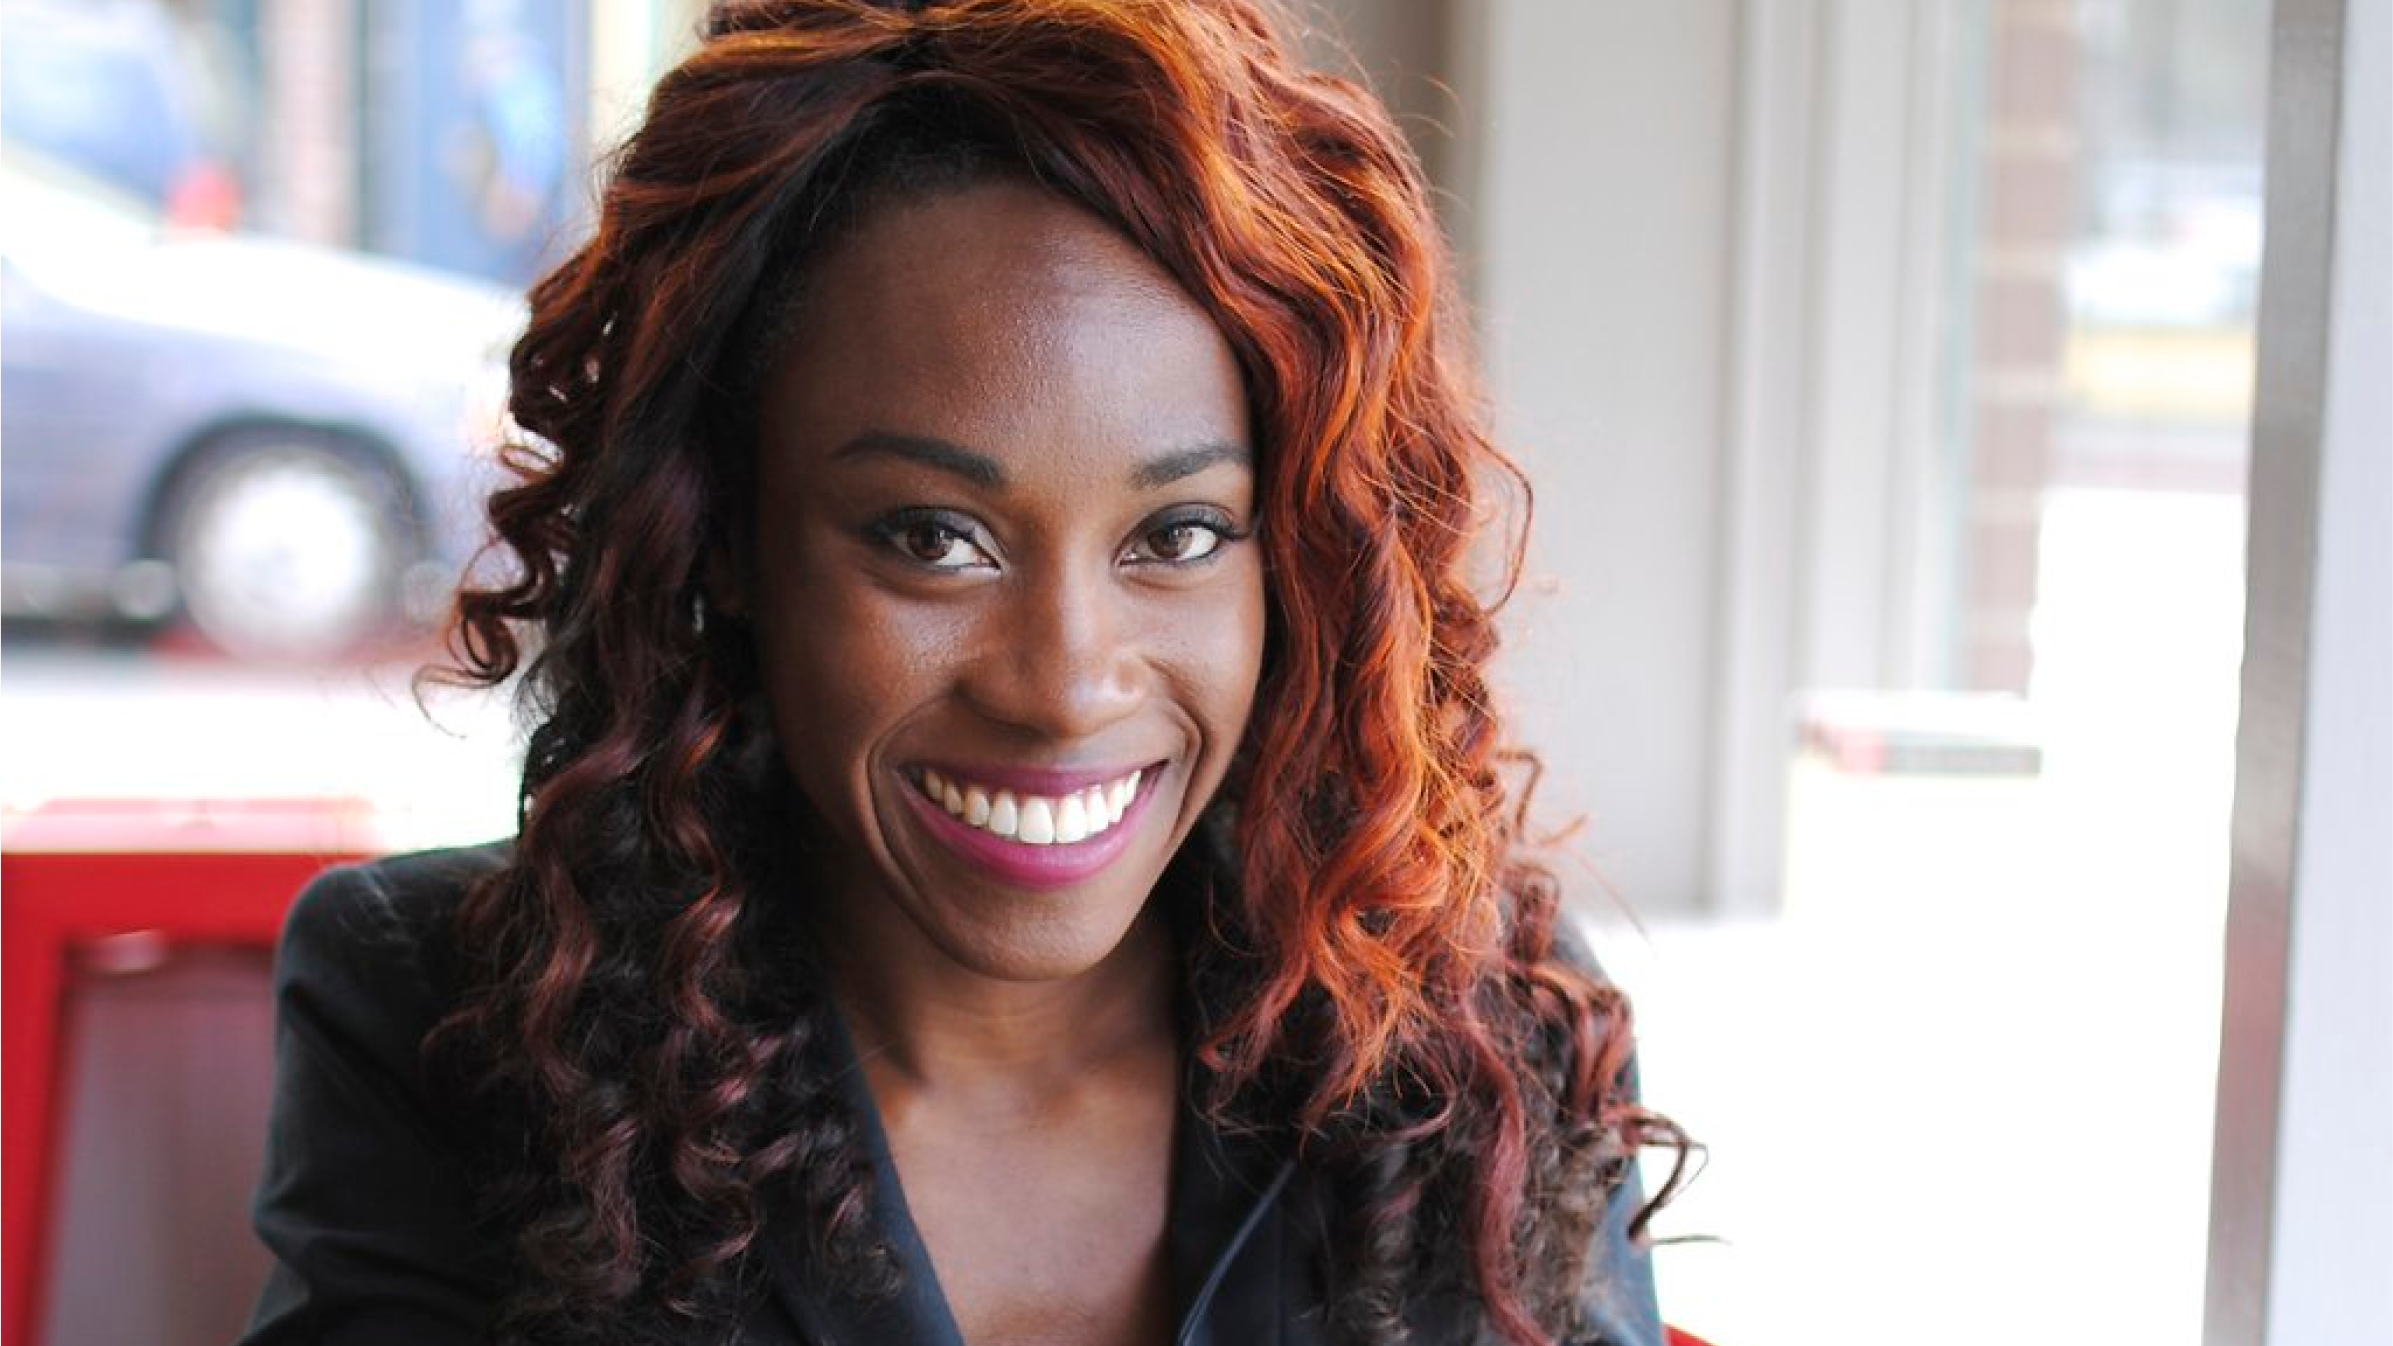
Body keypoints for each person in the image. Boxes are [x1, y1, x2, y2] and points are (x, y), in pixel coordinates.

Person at [239, 2, 1686, 1343]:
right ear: (726, 535)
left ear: (1289, 563)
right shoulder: (444, 1018)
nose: (1062, 683)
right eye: (934, 538)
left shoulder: (1481, 1029)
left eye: (1176, 534)